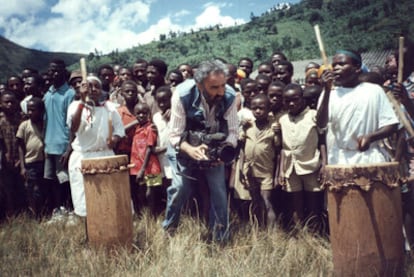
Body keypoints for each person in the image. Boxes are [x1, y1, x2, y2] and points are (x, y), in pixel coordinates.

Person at [162, 59, 238, 242]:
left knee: (219, 192)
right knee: (180, 188)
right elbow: (174, 135)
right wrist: (190, 148)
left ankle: (221, 238)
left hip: (213, 149)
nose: (221, 91)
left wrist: (225, 148)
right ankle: (169, 230)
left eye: (223, 85)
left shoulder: (230, 95)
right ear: (199, 84)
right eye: (214, 87)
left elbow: (234, 131)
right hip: (183, 147)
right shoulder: (182, 94)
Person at [317, 49, 399, 164]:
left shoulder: (374, 91)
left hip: (369, 158)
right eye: (334, 65)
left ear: (357, 67)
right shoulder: (330, 93)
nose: (336, 68)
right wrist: (326, 91)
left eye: (342, 64)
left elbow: (391, 125)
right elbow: (321, 124)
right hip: (339, 159)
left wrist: (371, 137)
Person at [67, 76, 124, 217]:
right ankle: (91, 235)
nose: (92, 90)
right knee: (86, 201)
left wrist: (114, 139)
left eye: (96, 86)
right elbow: (73, 128)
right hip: (84, 157)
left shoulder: (109, 107)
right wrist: (82, 101)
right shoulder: (75, 106)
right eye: (89, 86)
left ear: (101, 90)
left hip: (106, 155)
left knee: (109, 198)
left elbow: (119, 129)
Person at [279, 83, 325, 229]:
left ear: (303, 99)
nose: (291, 103)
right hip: (290, 167)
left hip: (311, 165)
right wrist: (281, 171)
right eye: (287, 100)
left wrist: (324, 164)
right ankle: (300, 234)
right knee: (295, 203)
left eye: (295, 99)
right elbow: (282, 147)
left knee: (313, 203)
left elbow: (322, 142)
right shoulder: (282, 119)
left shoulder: (313, 115)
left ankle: (315, 234)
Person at [238, 94, 280, 227]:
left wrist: (277, 174)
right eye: (254, 108)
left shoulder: (273, 127)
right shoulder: (248, 126)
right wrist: (240, 168)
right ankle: (258, 230)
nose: (257, 111)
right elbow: (243, 148)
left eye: (261, 108)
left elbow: (279, 151)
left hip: (266, 171)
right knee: (255, 201)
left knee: (266, 201)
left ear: (269, 109)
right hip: (249, 170)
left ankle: (272, 235)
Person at [43, 59, 75, 222]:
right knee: (52, 181)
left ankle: (69, 211)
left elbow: (72, 124)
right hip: (49, 146)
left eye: (56, 70)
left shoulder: (69, 94)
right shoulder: (48, 94)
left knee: (65, 180)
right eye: (51, 70)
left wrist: (69, 148)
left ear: (64, 72)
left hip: (63, 145)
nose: (53, 73)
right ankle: (58, 210)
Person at [130, 102, 163, 216]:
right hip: (139, 166)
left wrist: (143, 170)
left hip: (151, 166)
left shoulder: (150, 128)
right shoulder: (137, 128)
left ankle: (153, 217)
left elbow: (150, 149)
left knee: (151, 193)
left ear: (149, 114)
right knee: (141, 192)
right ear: (134, 115)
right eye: (138, 113)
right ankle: (146, 217)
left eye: (144, 113)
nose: (141, 115)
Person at [16, 97, 45, 218]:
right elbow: (20, 147)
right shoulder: (24, 125)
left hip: (43, 162)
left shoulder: (45, 123)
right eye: (28, 110)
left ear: (41, 111)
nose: (30, 113)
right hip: (30, 163)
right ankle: (34, 214)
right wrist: (22, 167)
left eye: (33, 110)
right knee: (32, 190)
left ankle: (44, 212)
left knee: (42, 188)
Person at [115, 80, 140, 213]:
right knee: (124, 184)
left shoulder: (141, 110)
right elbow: (117, 132)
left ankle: (140, 211)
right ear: (122, 93)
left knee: (137, 184)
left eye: (133, 91)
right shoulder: (118, 112)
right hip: (123, 153)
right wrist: (134, 122)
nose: (130, 93)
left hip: (139, 154)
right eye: (127, 91)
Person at [0, 91, 25, 215]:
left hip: (20, 158)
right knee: (7, 188)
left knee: (21, 187)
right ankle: (10, 213)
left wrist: (21, 159)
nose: (9, 104)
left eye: (12, 102)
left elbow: (23, 141)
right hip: (5, 160)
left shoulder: (20, 118)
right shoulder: (1, 120)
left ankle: (24, 212)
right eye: (6, 102)